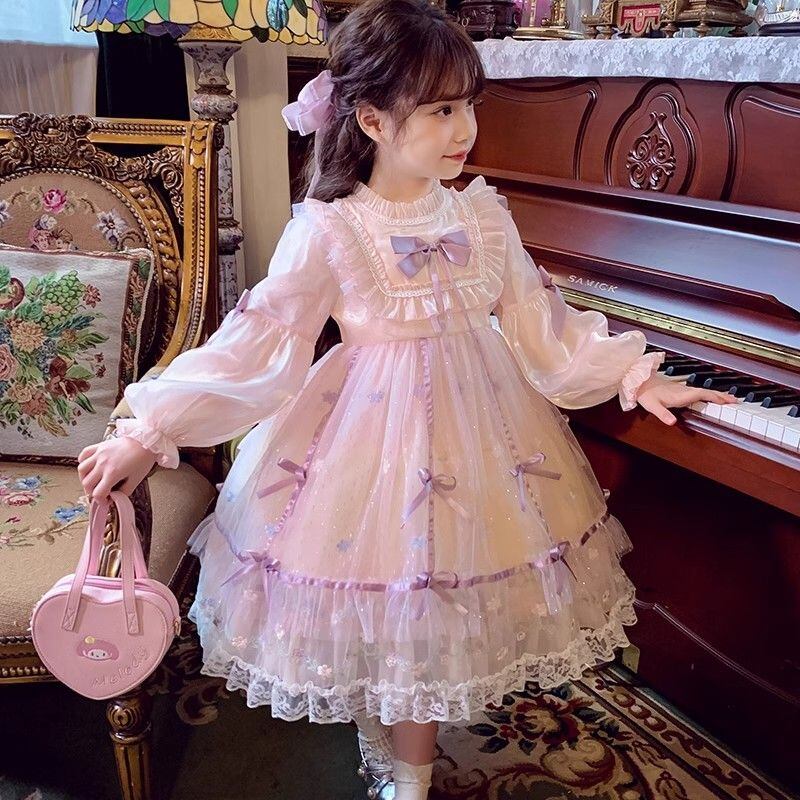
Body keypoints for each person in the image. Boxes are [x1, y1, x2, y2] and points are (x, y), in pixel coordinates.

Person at [76, 0, 740, 796]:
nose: (465, 129)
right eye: (440, 110)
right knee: (385, 594)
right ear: (372, 120)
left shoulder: (482, 215)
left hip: (480, 434)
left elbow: (539, 322)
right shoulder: (330, 228)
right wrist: (149, 430)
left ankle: (412, 774)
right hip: (366, 439)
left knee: (439, 602)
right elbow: (259, 342)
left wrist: (631, 374)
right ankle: (389, 739)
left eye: (470, 105)